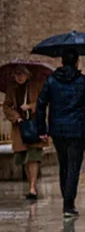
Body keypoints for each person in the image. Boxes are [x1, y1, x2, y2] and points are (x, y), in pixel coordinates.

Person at [36, 49, 85, 218]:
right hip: (76, 129)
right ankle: (68, 204)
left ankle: (67, 200)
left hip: (57, 129)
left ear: (61, 62)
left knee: (63, 164)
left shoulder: (51, 81)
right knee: (74, 166)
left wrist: (42, 129)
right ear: (77, 62)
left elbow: (41, 104)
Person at [3, 66, 46, 200]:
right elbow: (6, 106)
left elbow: (43, 102)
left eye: (21, 74)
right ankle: (31, 184)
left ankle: (33, 187)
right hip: (20, 128)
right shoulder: (11, 89)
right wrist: (17, 117)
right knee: (24, 158)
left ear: (28, 75)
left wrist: (30, 107)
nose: (19, 77)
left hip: (34, 126)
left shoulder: (37, 86)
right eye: (16, 74)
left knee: (33, 156)